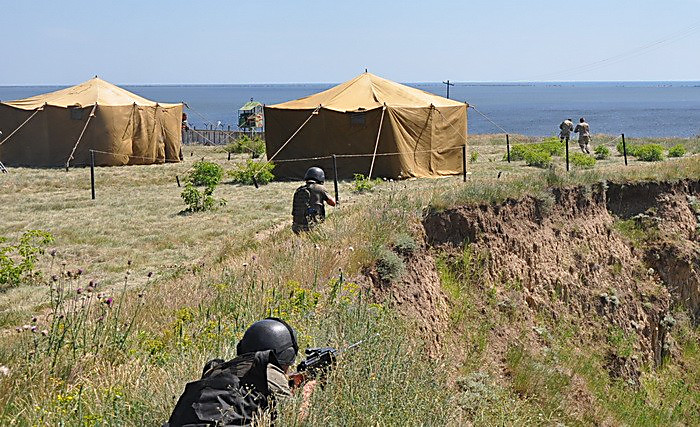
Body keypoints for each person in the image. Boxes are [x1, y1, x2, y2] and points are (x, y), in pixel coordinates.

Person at [166, 318, 317, 426]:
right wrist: (307, 392)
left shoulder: (218, 370)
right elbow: (292, 419)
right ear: (287, 354)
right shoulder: (269, 372)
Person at [292, 167, 336, 234]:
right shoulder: (319, 188)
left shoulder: (299, 189)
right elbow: (333, 203)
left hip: (296, 226)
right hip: (312, 226)